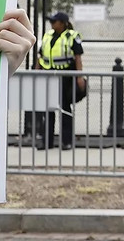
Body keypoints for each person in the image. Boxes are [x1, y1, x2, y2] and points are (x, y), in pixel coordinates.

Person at [35, 10, 85, 150]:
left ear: (62, 23)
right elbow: (40, 56)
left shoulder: (72, 36)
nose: (51, 23)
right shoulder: (48, 35)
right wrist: (36, 72)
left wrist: (79, 76)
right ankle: (47, 141)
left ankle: (66, 141)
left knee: (64, 109)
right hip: (48, 76)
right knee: (48, 109)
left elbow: (78, 57)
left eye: (54, 21)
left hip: (65, 77)